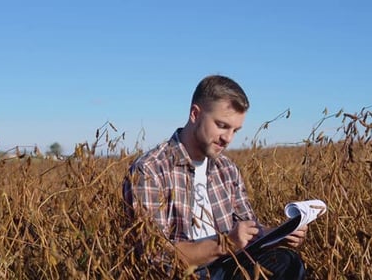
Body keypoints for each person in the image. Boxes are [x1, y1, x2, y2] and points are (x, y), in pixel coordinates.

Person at [122, 75, 307, 279]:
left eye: (235, 130)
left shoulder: (227, 169)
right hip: (184, 274)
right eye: (222, 125)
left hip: (230, 265)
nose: (228, 138)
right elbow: (156, 255)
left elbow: (249, 229)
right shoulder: (149, 170)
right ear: (195, 114)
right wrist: (225, 244)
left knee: (287, 261)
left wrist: (280, 234)